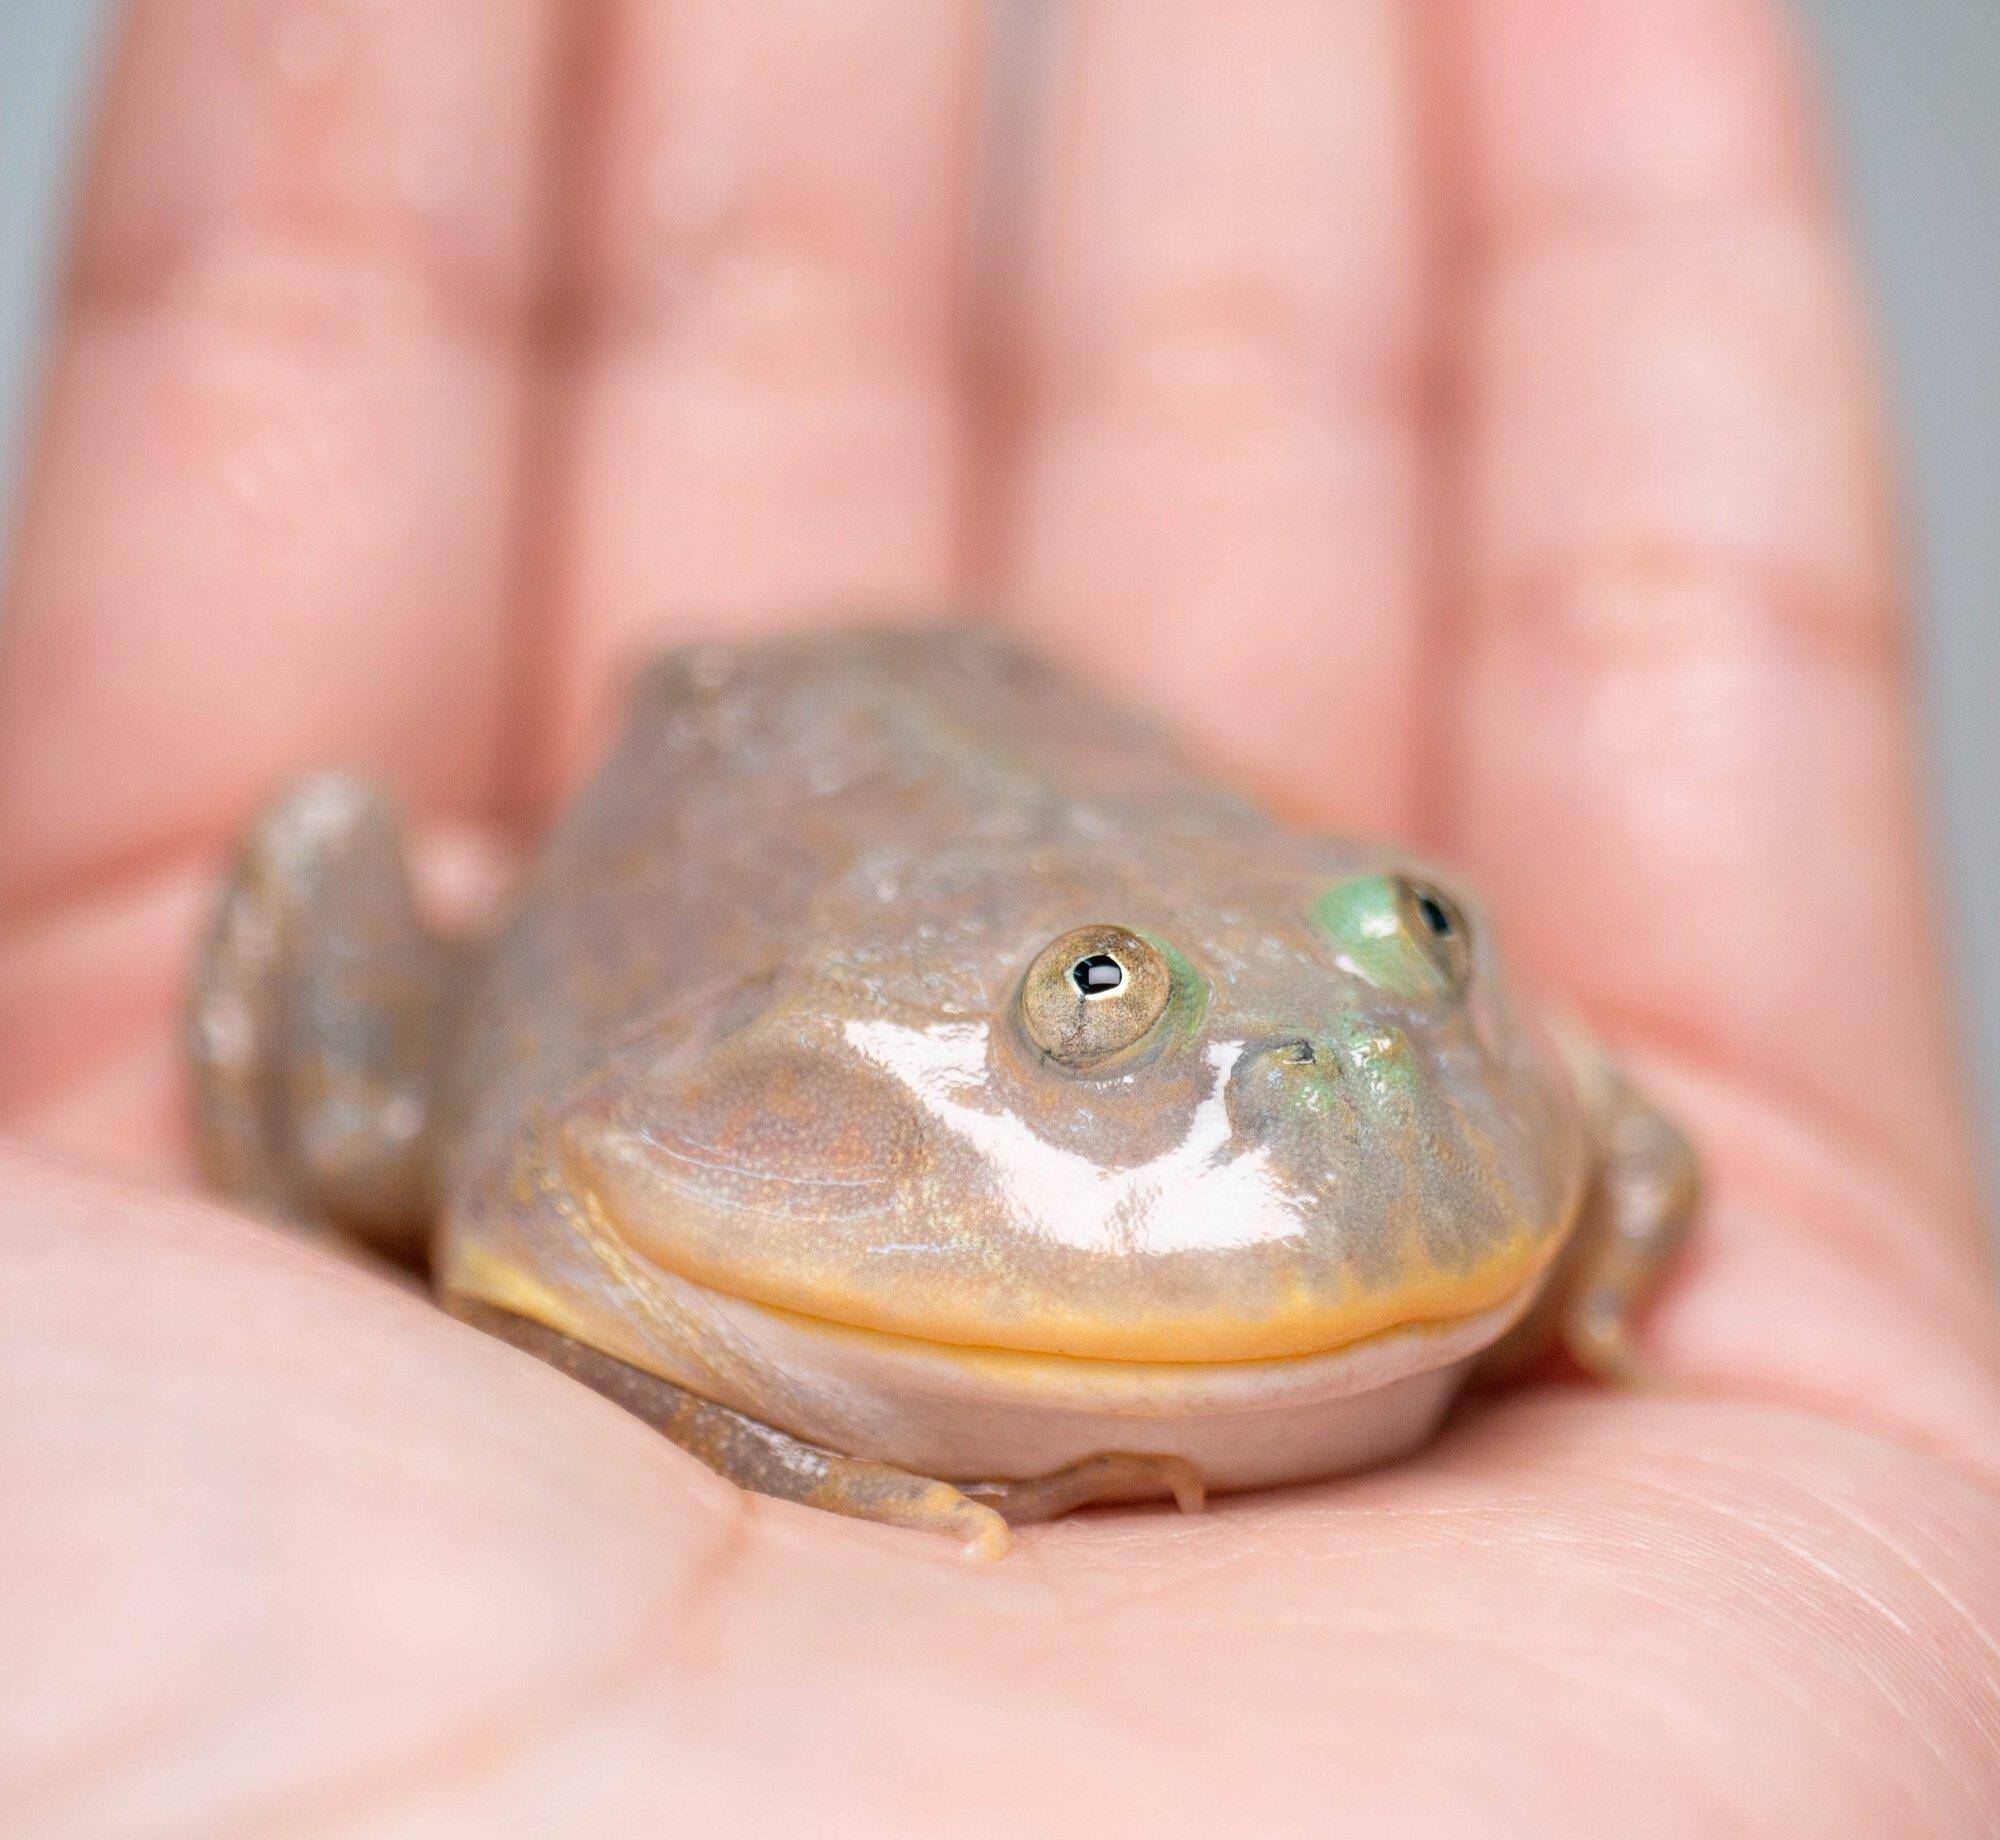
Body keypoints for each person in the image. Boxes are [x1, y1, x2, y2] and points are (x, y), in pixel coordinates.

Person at [2, 2, 1995, 1832]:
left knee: (1293, 969)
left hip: (1050, 760)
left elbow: (1570, 1087)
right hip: (747, 800)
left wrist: (1590, 1209)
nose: (1316, 1105)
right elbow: (540, 1216)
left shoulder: (1396, 1029)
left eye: (1434, 944)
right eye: (1097, 1011)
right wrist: (753, 1427)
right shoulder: (705, 1112)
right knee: (374, 1128)